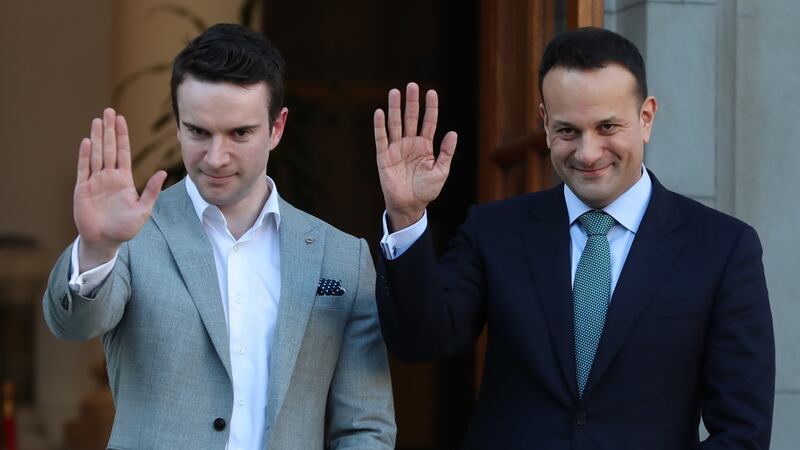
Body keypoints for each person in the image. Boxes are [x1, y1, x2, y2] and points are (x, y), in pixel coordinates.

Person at [373, 27, 774, 449]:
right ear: (545, 123)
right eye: (568, 130)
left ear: (646, 118)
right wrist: (406, 213)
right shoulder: (494, 231)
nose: (587, 152)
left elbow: (742, 432)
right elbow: (421, 340)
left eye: (607, 127)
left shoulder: (722, 248)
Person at [44, 23, 395, 449]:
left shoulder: (342, 258)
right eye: (198, 132)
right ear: (177, 124)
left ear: (278, 127)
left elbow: (365, 427)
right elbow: (74, 325)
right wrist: (99, 247)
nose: (216, 157)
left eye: (240, 133)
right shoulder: (131, 235)